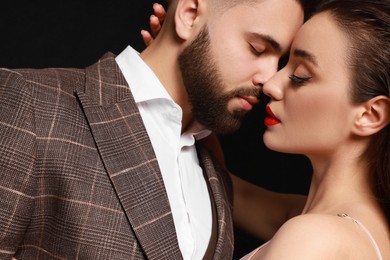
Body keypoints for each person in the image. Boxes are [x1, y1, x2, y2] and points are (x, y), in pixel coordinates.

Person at [0, 0, 308, 259]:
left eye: (278, 60)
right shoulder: (30, 101)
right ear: (188, 17)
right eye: (257, 48)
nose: (269, 79)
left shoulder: (214, 171)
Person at [240, 0, 390, 258]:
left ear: (369, 115)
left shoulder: (313, 237)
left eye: (300, 75)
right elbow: (224, 189)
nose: (271, 85)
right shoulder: (335, 224)